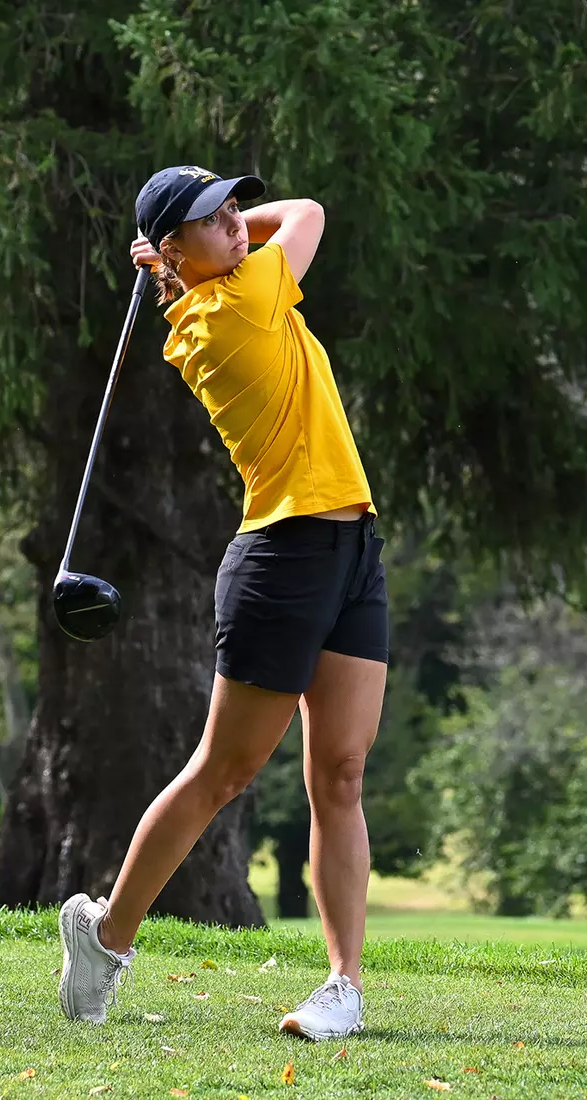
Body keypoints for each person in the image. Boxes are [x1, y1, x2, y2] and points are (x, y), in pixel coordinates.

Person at [57, 166, 388, 1042]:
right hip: (284, 556)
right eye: (216, 219)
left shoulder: (213, 293)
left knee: (342, 773)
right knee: (224, 772)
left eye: (238, 209)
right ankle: (106, 938)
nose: (240, 225)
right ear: (175, 249)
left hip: (350, 543)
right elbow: (312, 209)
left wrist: (172, 258)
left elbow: (271, 229)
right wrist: (177, 261)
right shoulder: (237, 307)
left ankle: (343, 986)